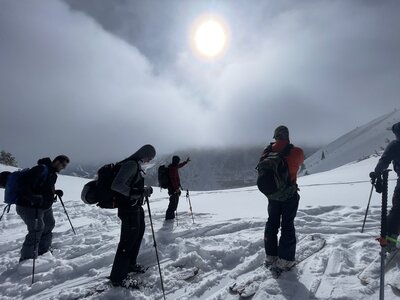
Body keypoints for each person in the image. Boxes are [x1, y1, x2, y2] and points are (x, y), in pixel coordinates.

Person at [109, 144, 156, 288]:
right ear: (144, 154)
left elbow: (133, 185)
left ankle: (130, 265)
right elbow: (116, 185)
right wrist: (139, 192)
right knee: (127, 242)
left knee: (137, 236)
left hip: (135, 207)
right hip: (128, 209)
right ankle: (117, 278)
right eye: (150, 157)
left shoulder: (136, 165)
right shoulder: (130, 164)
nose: (149, 160)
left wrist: (142, 190)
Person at [260, 125, 304, 271]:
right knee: (287, 225)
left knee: (271, 223)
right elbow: (299, 163)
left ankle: (271, 255)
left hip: (272, 196)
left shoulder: (266, 152)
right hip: (288, 196)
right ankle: (285, 259)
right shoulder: (296, 152)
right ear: (287, 136)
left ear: (275, 136)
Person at [16, 155, 69, 262]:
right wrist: (32, 197)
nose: (63, 167)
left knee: (49, 224)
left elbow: (44, 187)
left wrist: (55, 192)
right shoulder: (40, 169)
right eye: (63, 165)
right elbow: (22, 185)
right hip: (29, 206)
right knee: (36, 231)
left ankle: (43, 250)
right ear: (57, 162)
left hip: (44, 206)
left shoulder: (52, 174)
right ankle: (27, 259)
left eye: (65, 166)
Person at [370, 122, 400, 251]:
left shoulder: (395, 145)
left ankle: (389, 240)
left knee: (397, 210)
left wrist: (376, 174)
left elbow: (384, 161)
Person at [165, 155, 190, 220]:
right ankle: (169, 218)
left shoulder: (174, 166)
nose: (178, 162)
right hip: (173, 188)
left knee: (173, 203)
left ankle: (170, 216)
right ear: (176, 161)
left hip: (174, 188)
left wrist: (186, 162)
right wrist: (176, 189)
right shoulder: (172, 169)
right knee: (173, 203)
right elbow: (173, 180)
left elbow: (180, 165)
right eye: (178, 161)